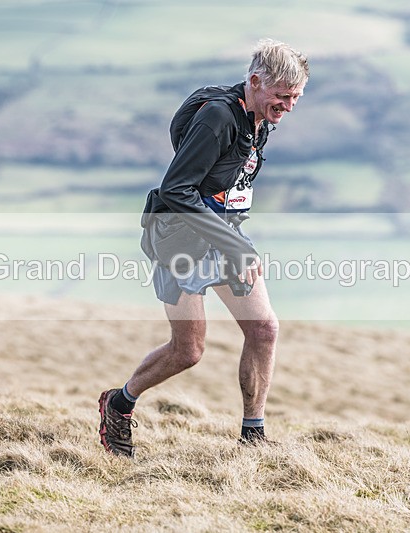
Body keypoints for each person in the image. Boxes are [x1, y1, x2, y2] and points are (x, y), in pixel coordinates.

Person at [99, 39, 309, 458]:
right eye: (282, 96)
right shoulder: (218, 117)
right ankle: (118, 404)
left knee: (264, 329)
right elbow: (176, 189)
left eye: (296, 98)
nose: (288, 106)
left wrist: (234, 240)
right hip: (180, 239)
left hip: (222, 233)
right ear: (255, 81)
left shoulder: (258, 119)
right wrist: (236, 247)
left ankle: (252, 438)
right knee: (188, 351)